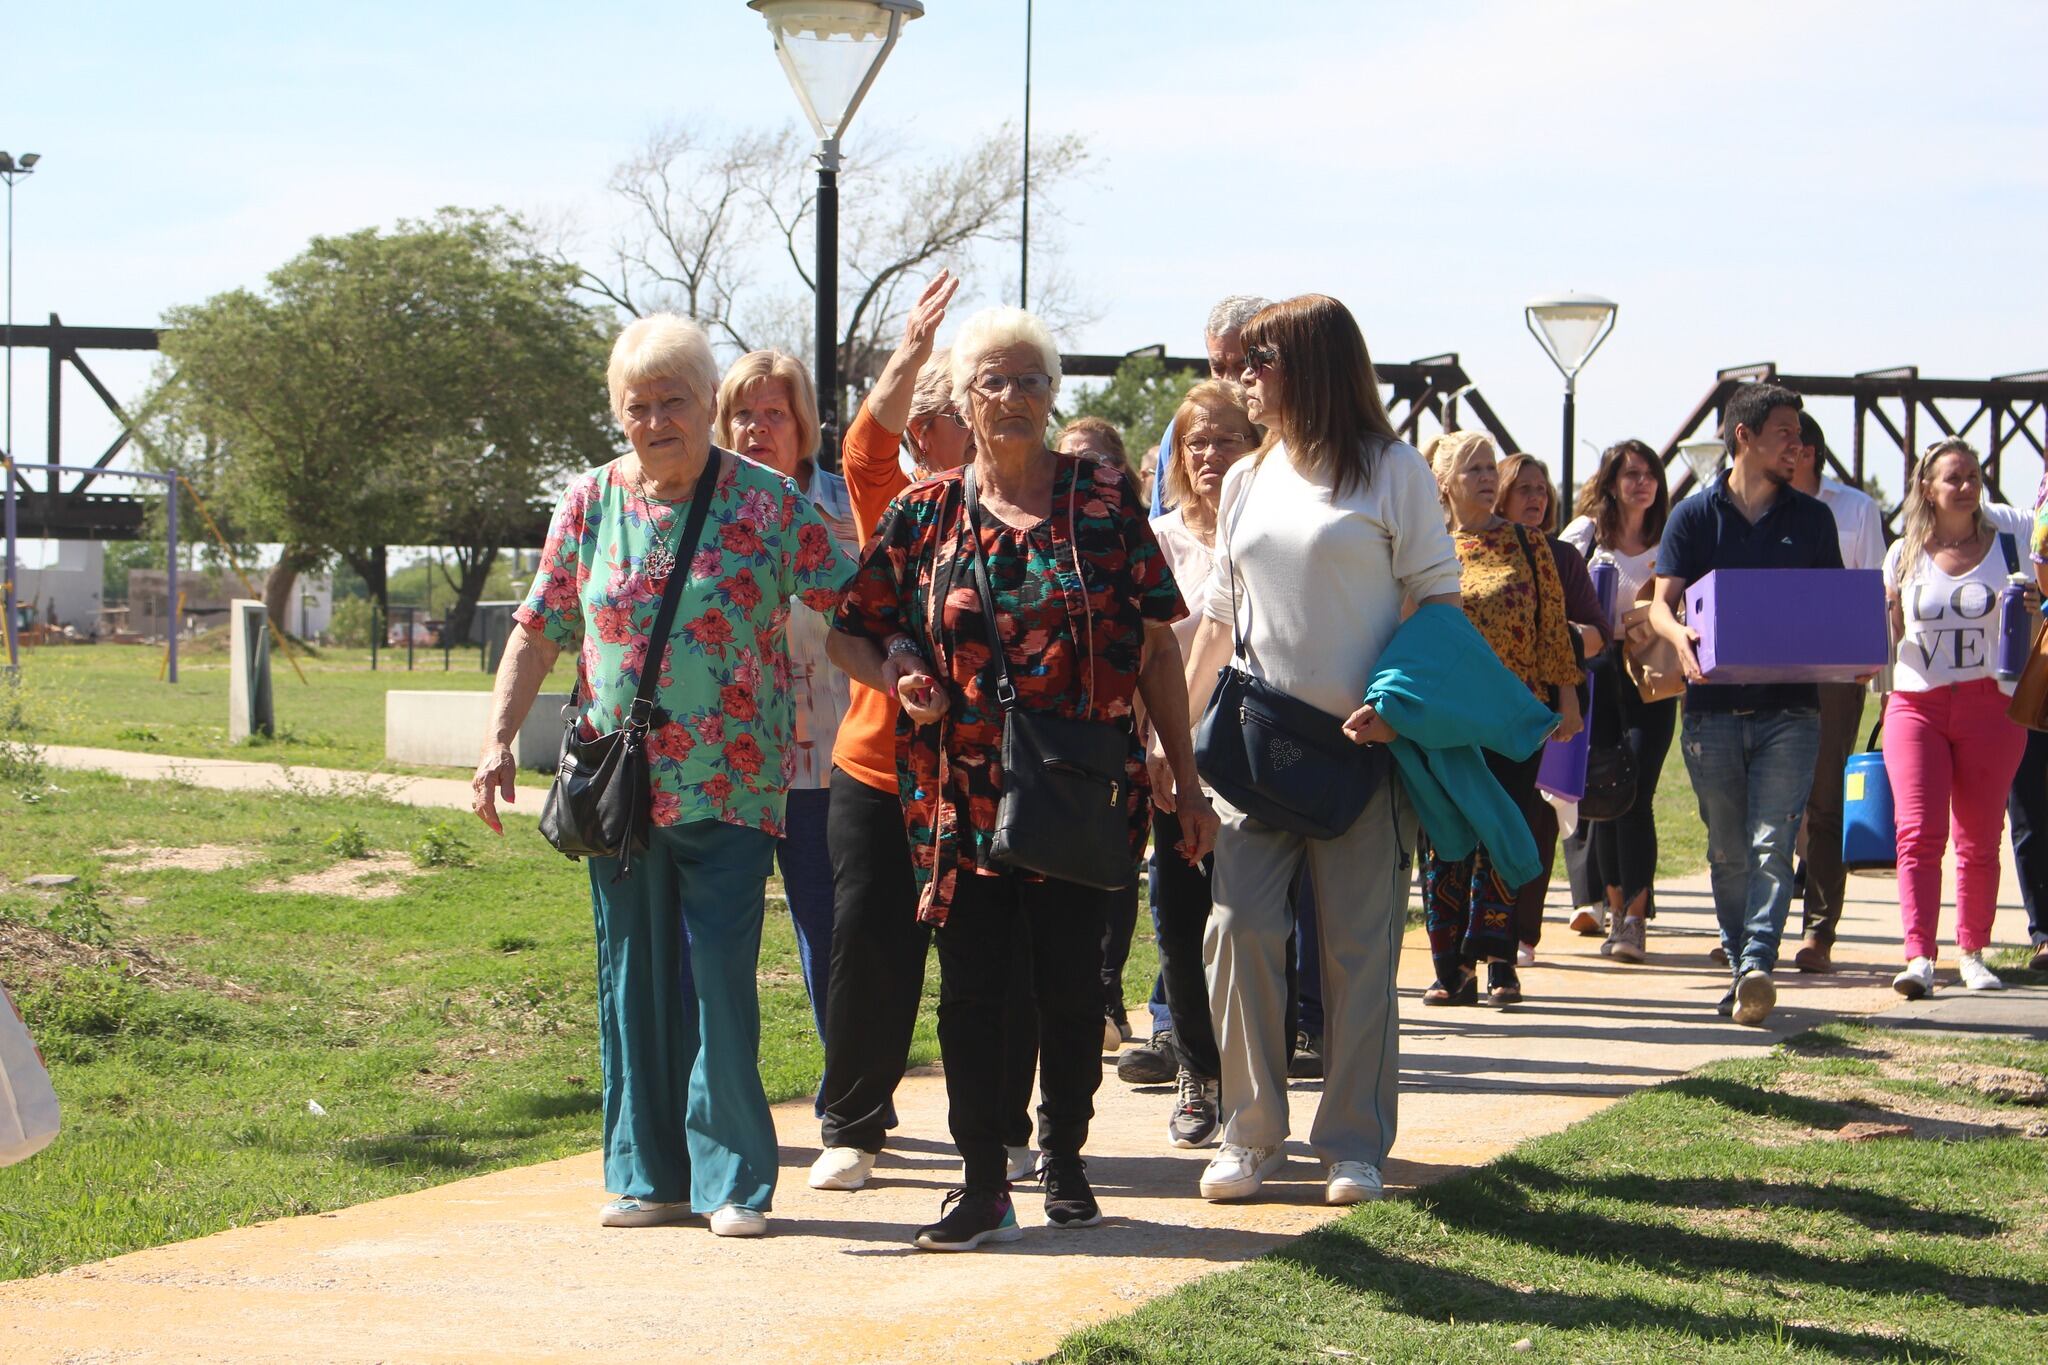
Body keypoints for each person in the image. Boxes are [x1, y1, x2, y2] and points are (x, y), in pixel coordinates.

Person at [831, 304, 1216, 1251]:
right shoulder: (925, 512)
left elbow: (1159, 646)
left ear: (1053, 395)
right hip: (959, 798)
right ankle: (978, 1179)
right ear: (963, 397)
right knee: (971, 988)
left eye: (1030, 380)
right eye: (991, 380)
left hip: (1082, 788)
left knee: (1072, 986)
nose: (1010, 396)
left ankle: (1069, 1159)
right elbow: (851, 625)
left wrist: (1187, 780)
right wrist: (899, 673)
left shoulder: (1103, 499)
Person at [473, 313, 853, 1237]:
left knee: (721, 976)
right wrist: (496, 741)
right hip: (620, 785)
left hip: (733, 777)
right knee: (631, 973)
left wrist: (915, 672)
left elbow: (854, 597)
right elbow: (538, 624)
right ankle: (650, 1174)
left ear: (706, 403)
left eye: (673, 400)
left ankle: (733, 1184)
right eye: (636, 407)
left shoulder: (766, 501)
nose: (654, 422)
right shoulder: (589, 502)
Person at [1180, 294, 1462, 1206]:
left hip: (1362, 756)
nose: (1243, 381)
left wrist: (1396, 704)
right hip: (1255, 757)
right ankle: (1249, 1132)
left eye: (1259, 363)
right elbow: (1219, 620)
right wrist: (1175, 746)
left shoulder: (1394, 471)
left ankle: (1353, 1144)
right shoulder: (1243, 481)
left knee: (1357, 949)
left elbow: (1436, 604)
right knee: (1239, 930)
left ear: (1309, 366)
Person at [806, 273, 1044, 1195]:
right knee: (869, 948)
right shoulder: (891, 498)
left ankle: (1003, 1126)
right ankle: (854, 1126)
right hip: (875, 768)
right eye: (925, 411)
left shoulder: (1034, 503)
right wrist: (910, 350)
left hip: (989, 770)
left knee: (996, 961)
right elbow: (866, 438)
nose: (922, 428)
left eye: (938, 412)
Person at [1649, 383, 1842, 1026]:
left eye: (1800, 434)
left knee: (1772, 842)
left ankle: (1757, 960)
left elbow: (1830, 613)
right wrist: (1677, 637)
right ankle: (1742, 968)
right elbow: (1660, 602)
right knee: (1726, 850)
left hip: (1792, 711)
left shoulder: (1813, 520)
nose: (1799, 444)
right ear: (1744, 437)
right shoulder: (1693, 517)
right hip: (1710, 711)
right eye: (1785, 432)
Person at [713, 349, 854, 1057]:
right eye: (743, 413)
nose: (757, 428)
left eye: (775, 413)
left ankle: (852, 1103)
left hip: (828, 764)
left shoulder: (847, 505)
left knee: (831, 935)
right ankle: (720, 1108)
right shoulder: (704, 509)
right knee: (716, 945)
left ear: (804, 424)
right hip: (730, 765)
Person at [1131, 379, 1259, 1148]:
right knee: (1180, 923)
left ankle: (1254, 1084)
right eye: (1196, 441)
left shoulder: (1271, 533)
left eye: (1227, 438)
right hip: (1171, 761)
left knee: (1250, 926)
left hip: (1259, 763)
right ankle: (1198, 1072)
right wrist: (1154, 746)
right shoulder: (1155, 540)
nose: (1210, 454)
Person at [1422, 433, 1584, 1006]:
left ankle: (1500, 961)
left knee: (1502, 828)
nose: (1488, 478)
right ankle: (1451, 968)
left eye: (1491, 468)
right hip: (1446, 715)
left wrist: (1566, 699)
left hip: (1515, 711)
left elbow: (1552, 626)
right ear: (1443, 484)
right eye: (1473, 470)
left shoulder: (1527, 542)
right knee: (1448, 834)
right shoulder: (1429, 548)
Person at [1883, 439, 2030, 996]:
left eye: (1973, 476)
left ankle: (1973, 951)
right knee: (1918, 832)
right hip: (1916, 704)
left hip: (1991, 705)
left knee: (1979, 837)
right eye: (1954, 477)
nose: (1966, 486)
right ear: (1928, 487)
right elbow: (1887, 636)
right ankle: (1918, 954)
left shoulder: (2009, 548)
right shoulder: (1902, 554)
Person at [1561, 440, 1675, 964]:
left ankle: (1635, 917)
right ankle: (1610, 907)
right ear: (1610, 483)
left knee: (1640, 793)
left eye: (1649, 474)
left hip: (1652, 677)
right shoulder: (1586, 537)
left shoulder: (1671, 539)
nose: (1641, 483)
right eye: (1630, 475)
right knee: (1605, 791)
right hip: (1600, 676)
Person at [1782, 412, 1887, 974]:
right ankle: (1757, 929)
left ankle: (1819, 931)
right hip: (1769, 666)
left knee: (1825, 803)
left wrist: (1867, 663)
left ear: (1814, 450)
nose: (1788, 452)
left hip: (1835, 671)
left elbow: (1872, 584)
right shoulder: (1754, 507)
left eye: (1795, 442)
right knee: (1769, 804)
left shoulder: (1855, 507)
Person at [1495, 452, 1608, 966]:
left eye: (1542, 489)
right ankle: (1476, 936)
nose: (1537, 497)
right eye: (1524, 489)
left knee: (1536, 821)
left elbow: (1597, 636)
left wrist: (1551, 638)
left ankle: (1521, 936)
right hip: (1484, 709)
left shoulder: (1563, 558)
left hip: (1546, 712)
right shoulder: (1473, 550)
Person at [1055, 414, 1146, 1046]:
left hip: (1126, 733)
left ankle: (1107, 995)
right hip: (1055, 741)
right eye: (1071, 460)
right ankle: (1072, 1001)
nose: (1084, 472)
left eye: (1096, 461)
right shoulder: (1040, 529)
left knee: (1116, 871)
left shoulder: (1133, 533)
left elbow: (1159, 642)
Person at [1151, 295, 1272, 518]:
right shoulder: (1185, 427)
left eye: (1243, 365)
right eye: (1218, 368)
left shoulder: (1290, 425)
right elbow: (1164, 516)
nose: (1230, 380)